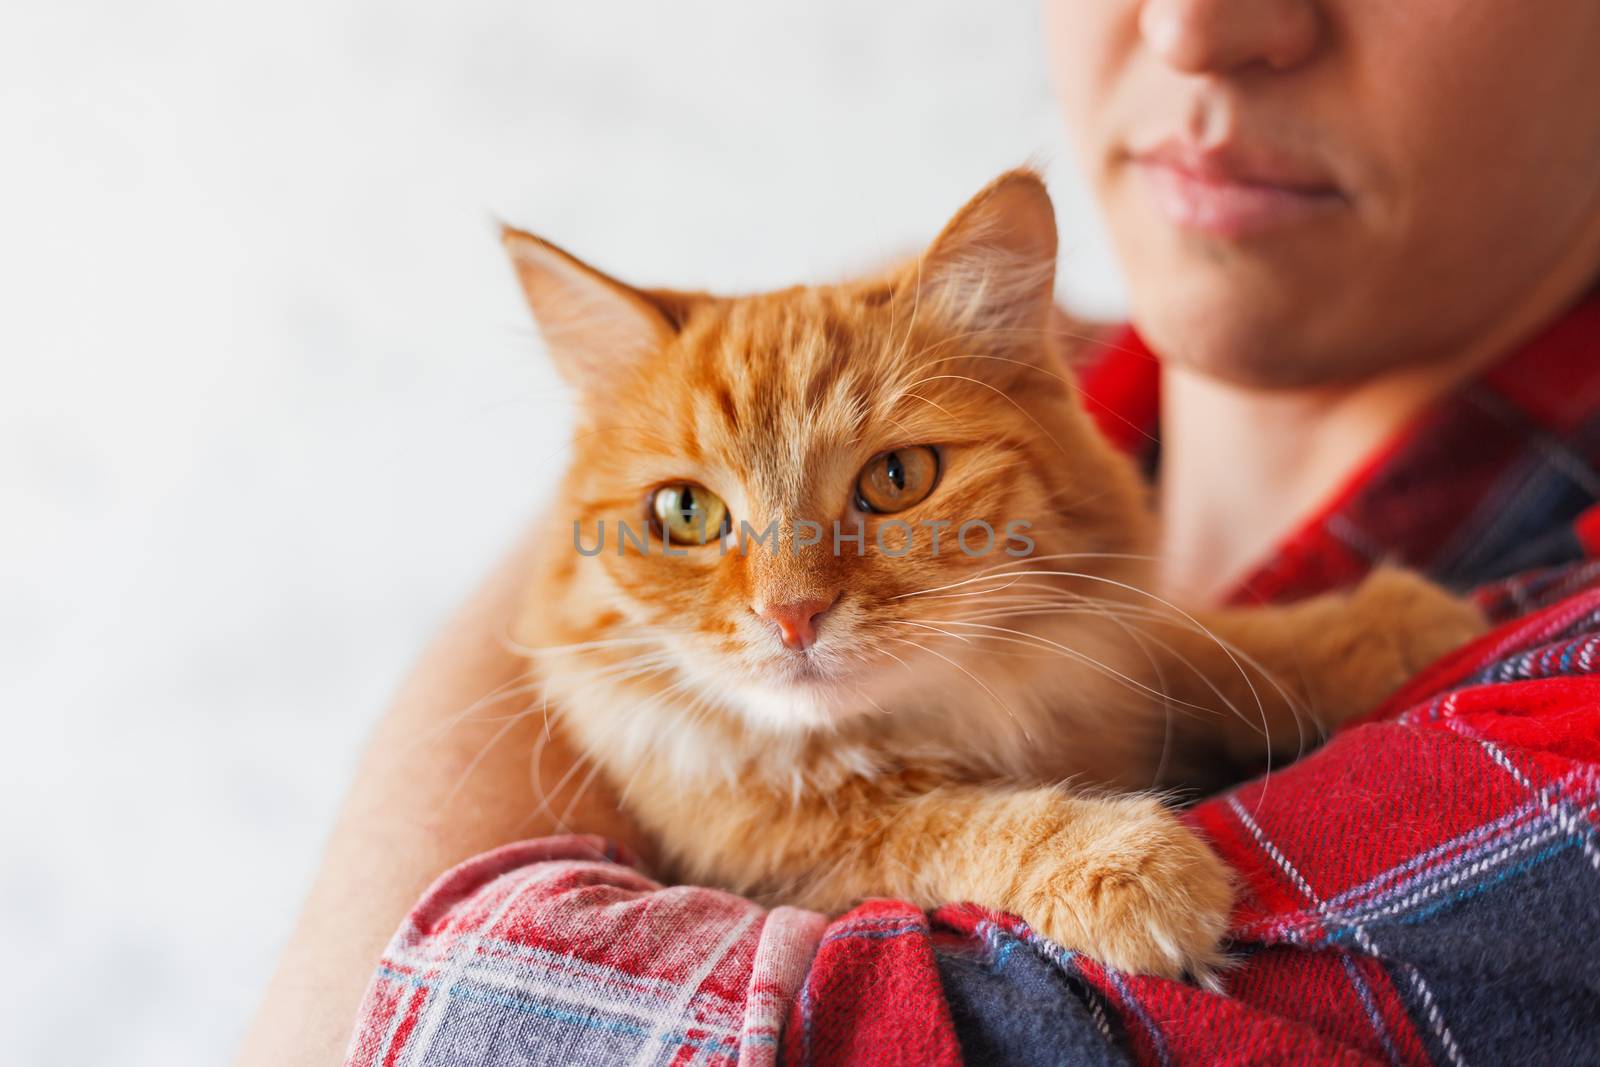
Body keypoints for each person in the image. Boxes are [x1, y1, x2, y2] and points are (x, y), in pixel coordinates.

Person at [237, 2, 1600, 1063]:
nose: (786, 597)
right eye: (689, 513)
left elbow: (437, 1037)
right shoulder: (1036, 397)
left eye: (888, 488)